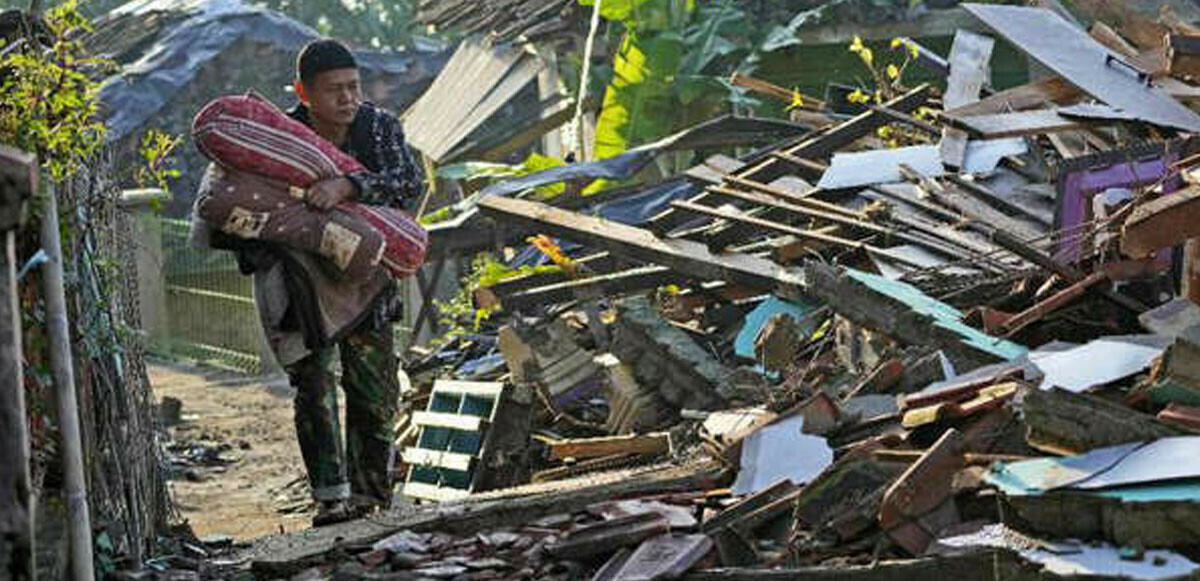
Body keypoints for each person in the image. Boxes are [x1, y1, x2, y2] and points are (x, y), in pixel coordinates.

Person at [194, 38, 425, 526]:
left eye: (354, 87)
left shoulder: (379, 127)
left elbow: (409, 182)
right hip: (302, 285)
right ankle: (331, 498)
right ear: (303, 91)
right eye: (335, 89)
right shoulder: (275, 136)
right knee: (313, 387)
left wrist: (348, 186)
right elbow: (229, 208)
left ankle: (371, 498)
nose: (348, 99)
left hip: (370, 282)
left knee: (372, 389)